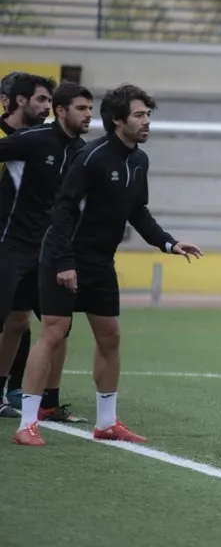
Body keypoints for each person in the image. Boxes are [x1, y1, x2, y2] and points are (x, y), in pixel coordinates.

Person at [12, 83, 204, 447]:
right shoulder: (92, 157)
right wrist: (65, 262)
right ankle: (26, 424)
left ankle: (106, 423)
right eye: (139, 115)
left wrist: (169, 242)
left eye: (148, 115)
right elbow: (63, 210)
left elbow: (138, 212)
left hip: (100, 262)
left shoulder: (139, 160)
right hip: (61, 257)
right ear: (118, 120)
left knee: (110, 336)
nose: (147, 122)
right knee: (53, 333)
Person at [0, 83, 93, 425]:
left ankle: (49, 403)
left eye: (90, 108)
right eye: (81, 108)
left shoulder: (83, 153)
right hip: (11, 244)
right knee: (14, 321)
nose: (88, 114)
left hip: (51, 250)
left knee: (59, 325)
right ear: (61, 110)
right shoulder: (34, 139)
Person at [0, 72, 57, 419]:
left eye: (50, 101)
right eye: (41, 100)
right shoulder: (17, 142)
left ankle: (16, 389)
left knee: (21, 320)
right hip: (8, 241)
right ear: (17, 100)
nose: (48, 107)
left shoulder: (42, 141)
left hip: (32, 244)